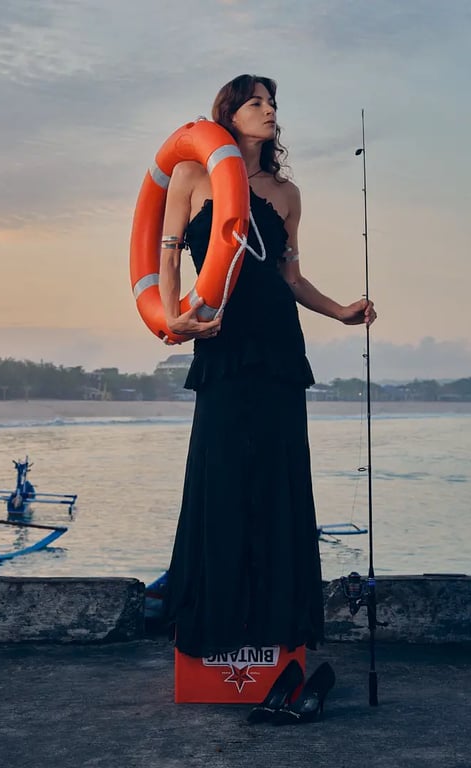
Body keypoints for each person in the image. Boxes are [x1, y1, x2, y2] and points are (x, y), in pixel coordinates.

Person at [159, 74, 376, 660]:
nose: (269, 110)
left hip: (279, 345)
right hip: (223, 342)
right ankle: (215, 627)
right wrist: (173, 318)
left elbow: (290, 277)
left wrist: (342, 312)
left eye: (273, 102)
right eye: (255, 101)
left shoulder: (285, 193)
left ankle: (277, 628)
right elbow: (170, 252)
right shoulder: (191, 175)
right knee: (221, 474)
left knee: (279, 479)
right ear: (228, 112)